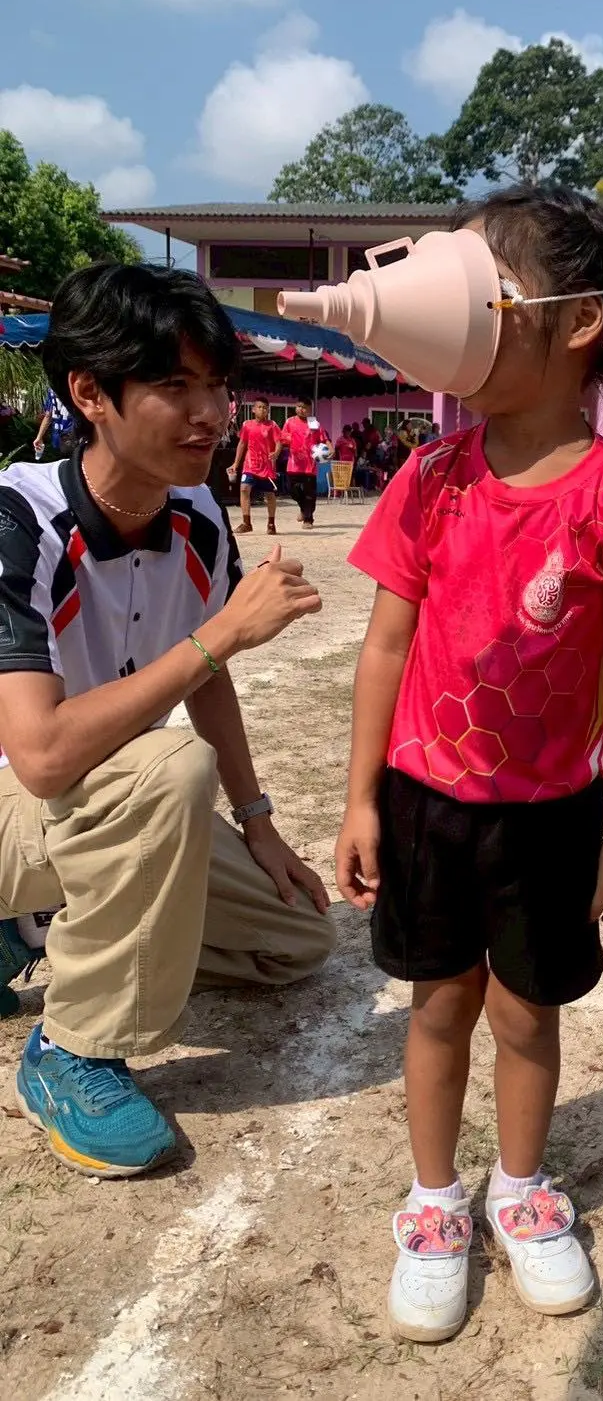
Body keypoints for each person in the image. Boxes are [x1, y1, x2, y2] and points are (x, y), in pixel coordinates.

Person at [336, 185, 603, 1341]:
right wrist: (360, 798)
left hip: (552, 814)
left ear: (576, 321)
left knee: (529, 1013)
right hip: (426, 801)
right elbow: (386, 645)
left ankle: (521, 1188)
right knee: (439, 1002)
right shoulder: (429, 476)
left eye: (490, 287)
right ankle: (435, 1201)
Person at [0, 262, 335, 1177]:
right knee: (171, 768)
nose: (211, 413)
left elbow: (207, 681)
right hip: (19, 800)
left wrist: (259, 824)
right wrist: (220, 634)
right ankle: (71, 1050)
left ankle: (34, 930)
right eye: (175, 385)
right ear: (90, 393)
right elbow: (42, 755)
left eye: (218, 385)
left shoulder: (197, 515)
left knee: (297, 940)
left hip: (96, 808)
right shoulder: (18, 519)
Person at [228, 398, 280, 536]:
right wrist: (235, 463)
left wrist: (276, 452)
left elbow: (278, 442)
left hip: (266, 466)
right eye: (260, 407)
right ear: (253, 409)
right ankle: (246, 523)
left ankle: (271, 523)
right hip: (250, 465)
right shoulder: (247, 425)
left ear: (268, 410)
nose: (262, 410)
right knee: (244, 489)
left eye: (265, 408)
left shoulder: (272, 425)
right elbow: (242, 444)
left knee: (269, 495)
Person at [281, 399, 320, 528]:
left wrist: (329, 448)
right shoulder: (289, 422)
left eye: (304, 407)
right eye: (299, 406)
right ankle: (304, 509)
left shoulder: (313, 422)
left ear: (309, 410)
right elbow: (283, 437)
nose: (301, 409)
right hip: (294, 464)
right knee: (293, 490)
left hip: (310, 465)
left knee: (310, 494)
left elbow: (322, 438)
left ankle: (308, 519)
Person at [33, 389, 75, 459]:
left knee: (61, 462)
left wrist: (39, 437)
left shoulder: (52, 390)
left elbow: (48, 415)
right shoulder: (74, 386)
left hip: (57, 436)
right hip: (73, 434)